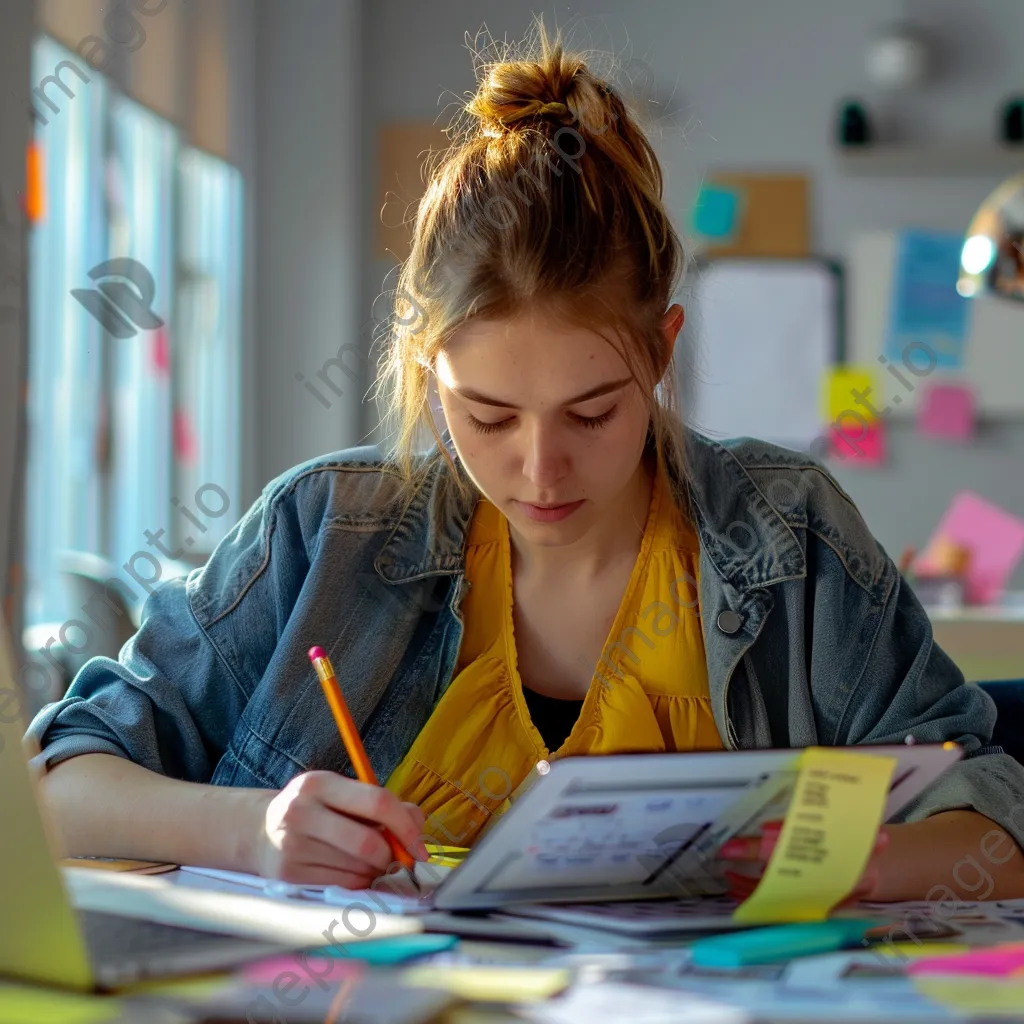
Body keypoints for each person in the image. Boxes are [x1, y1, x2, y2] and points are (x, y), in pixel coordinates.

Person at [26, 28, 1024, 901]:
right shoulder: (321, 532)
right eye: (488, 415)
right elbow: (57, 786)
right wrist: (251, 829)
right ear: (427, 371)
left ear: (664, 351)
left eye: (593, 411)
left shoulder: (786, 532)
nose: (541, 468)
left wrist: (851, 864)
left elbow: (994, 825)